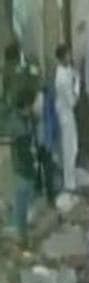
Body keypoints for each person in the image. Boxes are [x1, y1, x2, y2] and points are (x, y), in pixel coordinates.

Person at [7, 89, 37, 243]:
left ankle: (22, 231)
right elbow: (23, 152)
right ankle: (22, 235)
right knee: (22, 200)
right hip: (23, 169)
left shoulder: (20, 120)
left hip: (23, 167)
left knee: (23, 199)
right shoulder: (20, 127)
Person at [54, 44, 80, 192]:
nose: (70, 57)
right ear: (62, 57)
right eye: (68, 55)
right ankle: (69, 183)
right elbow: (72, 102)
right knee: (69, 149)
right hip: (65, 115)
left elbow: (72, 73)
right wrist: (77, 86)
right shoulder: (61, 79)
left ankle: (70, 178)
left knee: (72, 146)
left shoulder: (66, 69)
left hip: (67, 114)